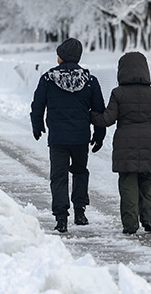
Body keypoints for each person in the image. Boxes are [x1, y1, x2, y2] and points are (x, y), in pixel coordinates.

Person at [90, 51, 151, 235]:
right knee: (147, 181)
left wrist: (91, 115)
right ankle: (148, 220)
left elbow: (107, 119)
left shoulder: (118, 93)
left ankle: (130, 225)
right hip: (148, 143)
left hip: (124, 143)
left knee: (128, 183)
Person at [30, 38, 105, 233]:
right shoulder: (89, 81)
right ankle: (80, 212)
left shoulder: (48, 79)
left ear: (61, 57)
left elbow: (38, 105)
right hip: (80, 137)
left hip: (58, 138)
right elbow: (98, 110)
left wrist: (37, 125)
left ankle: (61, 217)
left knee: (59, 176)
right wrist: (99, 134)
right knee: (80, 172)